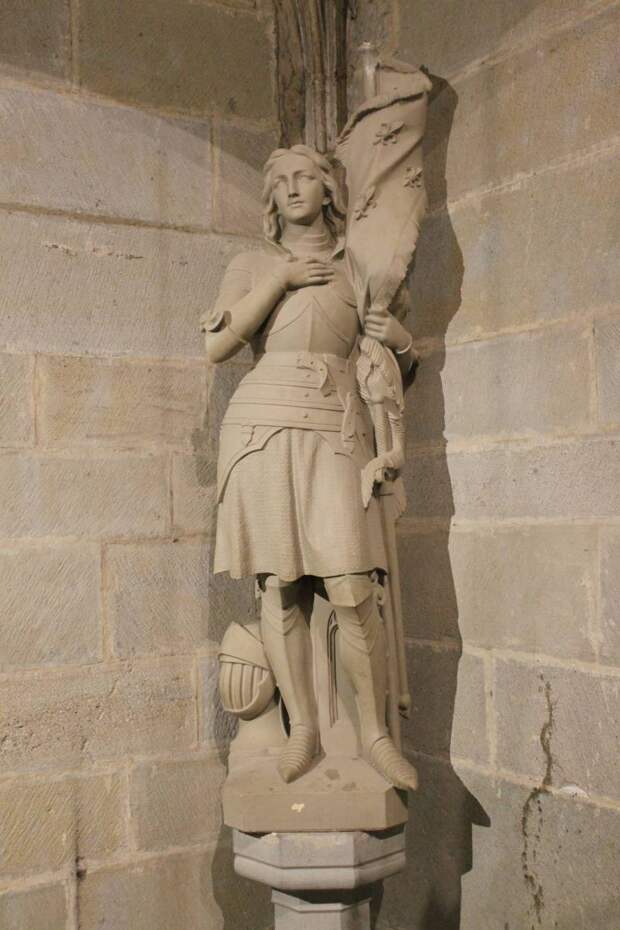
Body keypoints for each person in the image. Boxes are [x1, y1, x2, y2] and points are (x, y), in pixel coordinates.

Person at [201, 144, 418, 790]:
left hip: (336, 431)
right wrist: (281, 280)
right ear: (272, 199)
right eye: (282, 182)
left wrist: (401, 339)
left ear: (328, 190)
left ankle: (374, 734)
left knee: (352, 587)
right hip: (264, 432)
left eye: (306, 178)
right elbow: (218, 344)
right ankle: (303, 729)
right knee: (280, 586)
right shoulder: (251, 265)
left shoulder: (358, 268)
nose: (294, 189)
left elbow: (389, 363)